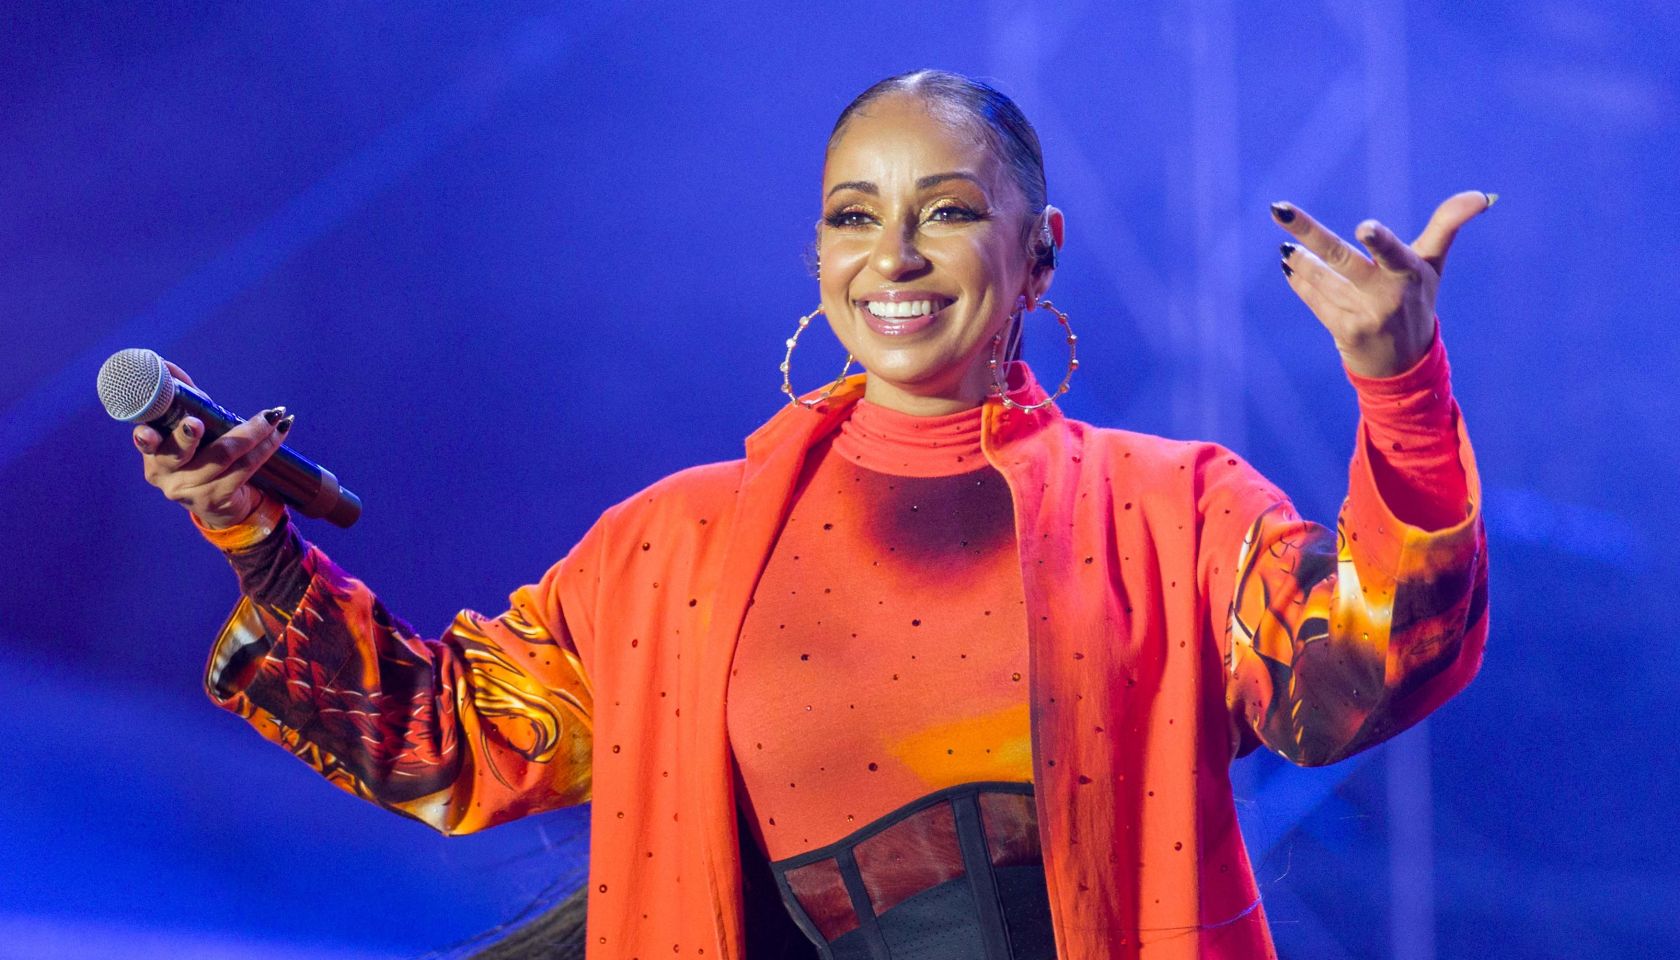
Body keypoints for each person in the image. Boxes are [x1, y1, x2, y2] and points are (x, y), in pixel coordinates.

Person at [132, 69, 1490, 960]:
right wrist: (257, 540)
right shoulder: (678, 543)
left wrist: (1403, 392)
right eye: (854, 215)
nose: (892, 253)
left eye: (945, 211)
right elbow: (450, 742)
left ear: (1039, 254)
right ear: (818, 254)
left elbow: (1365, 672)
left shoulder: (1169, 509)